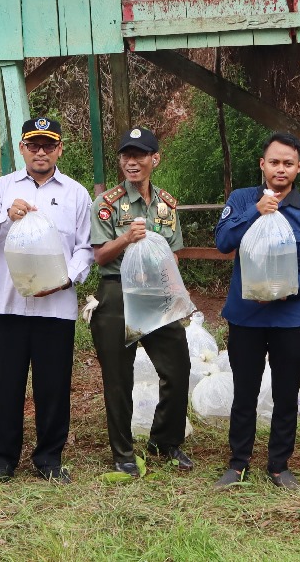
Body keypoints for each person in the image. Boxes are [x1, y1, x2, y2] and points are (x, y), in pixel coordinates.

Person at [0, 116, 93, 485]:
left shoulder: (76, 193)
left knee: (53, 386)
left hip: (56, 307)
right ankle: (2, 459)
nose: (41, 152)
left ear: (59, 149)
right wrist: (8, 217)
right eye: (33, 145)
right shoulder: (1, 189)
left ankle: (49, 458)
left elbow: (86, 248)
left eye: (48, 145)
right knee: (6, 384)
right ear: (22, 148)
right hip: (9, 305)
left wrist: (66, 280)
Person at [212, 132, 300, 490]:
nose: (281, 169)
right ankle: (238, 463)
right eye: (274, 162)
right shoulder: (241, 199)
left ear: (298, 169)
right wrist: (254, 212)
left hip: (289, 320)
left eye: (288, 163)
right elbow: (223, 243)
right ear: (263, 165)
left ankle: (279, 464)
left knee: (285, 393)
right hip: (245, 317)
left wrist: (284, 290)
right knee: (244, 392)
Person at [90, 127, 192, 477]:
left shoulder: (167, 204)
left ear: (155, 159)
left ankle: (165, 442)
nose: (132, 162)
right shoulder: (107, 204)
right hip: (118, 291)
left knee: (177, 367)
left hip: (157, 294)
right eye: (126, 156)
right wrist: (126, 240)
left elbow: (174, 256)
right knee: (118, 378)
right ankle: (122, 453)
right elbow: (100, 256)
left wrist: (175, 295)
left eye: (139, 156)